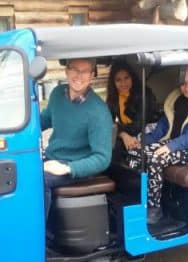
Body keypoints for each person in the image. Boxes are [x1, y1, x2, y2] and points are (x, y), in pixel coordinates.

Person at [128, 65, 188, 224]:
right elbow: (162, 128)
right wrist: (142, 141)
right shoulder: (176, 100)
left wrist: (170, 147)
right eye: (183, 84)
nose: (187, 88)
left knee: (156, 159)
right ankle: (140, 197)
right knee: (135, 153)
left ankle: (154, 209)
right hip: (173, 142)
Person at [40, 58, 113, 219]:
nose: (79, 76)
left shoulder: (98, 112)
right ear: (66, 71)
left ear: (92, 76)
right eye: (74, 69)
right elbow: (44, 120)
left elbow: (102, 158)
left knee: (38, 181)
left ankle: (39, 236)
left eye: (85, 71)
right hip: (53, 157)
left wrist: (67, 168)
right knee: (17, 170)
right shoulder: (58, 94)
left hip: (77, 166)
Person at [106, 60, 158, 159]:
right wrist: (123, 134)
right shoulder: (114, 97)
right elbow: (107, 120)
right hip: (127, 134)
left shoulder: (144, 94)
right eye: (118, 80)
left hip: (148, 132)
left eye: (126, 78)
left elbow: (138, 125)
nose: (123, 83)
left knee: (116, 148)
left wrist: (121, 132)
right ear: (113, 82)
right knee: (106, 144)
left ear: (132, 77)